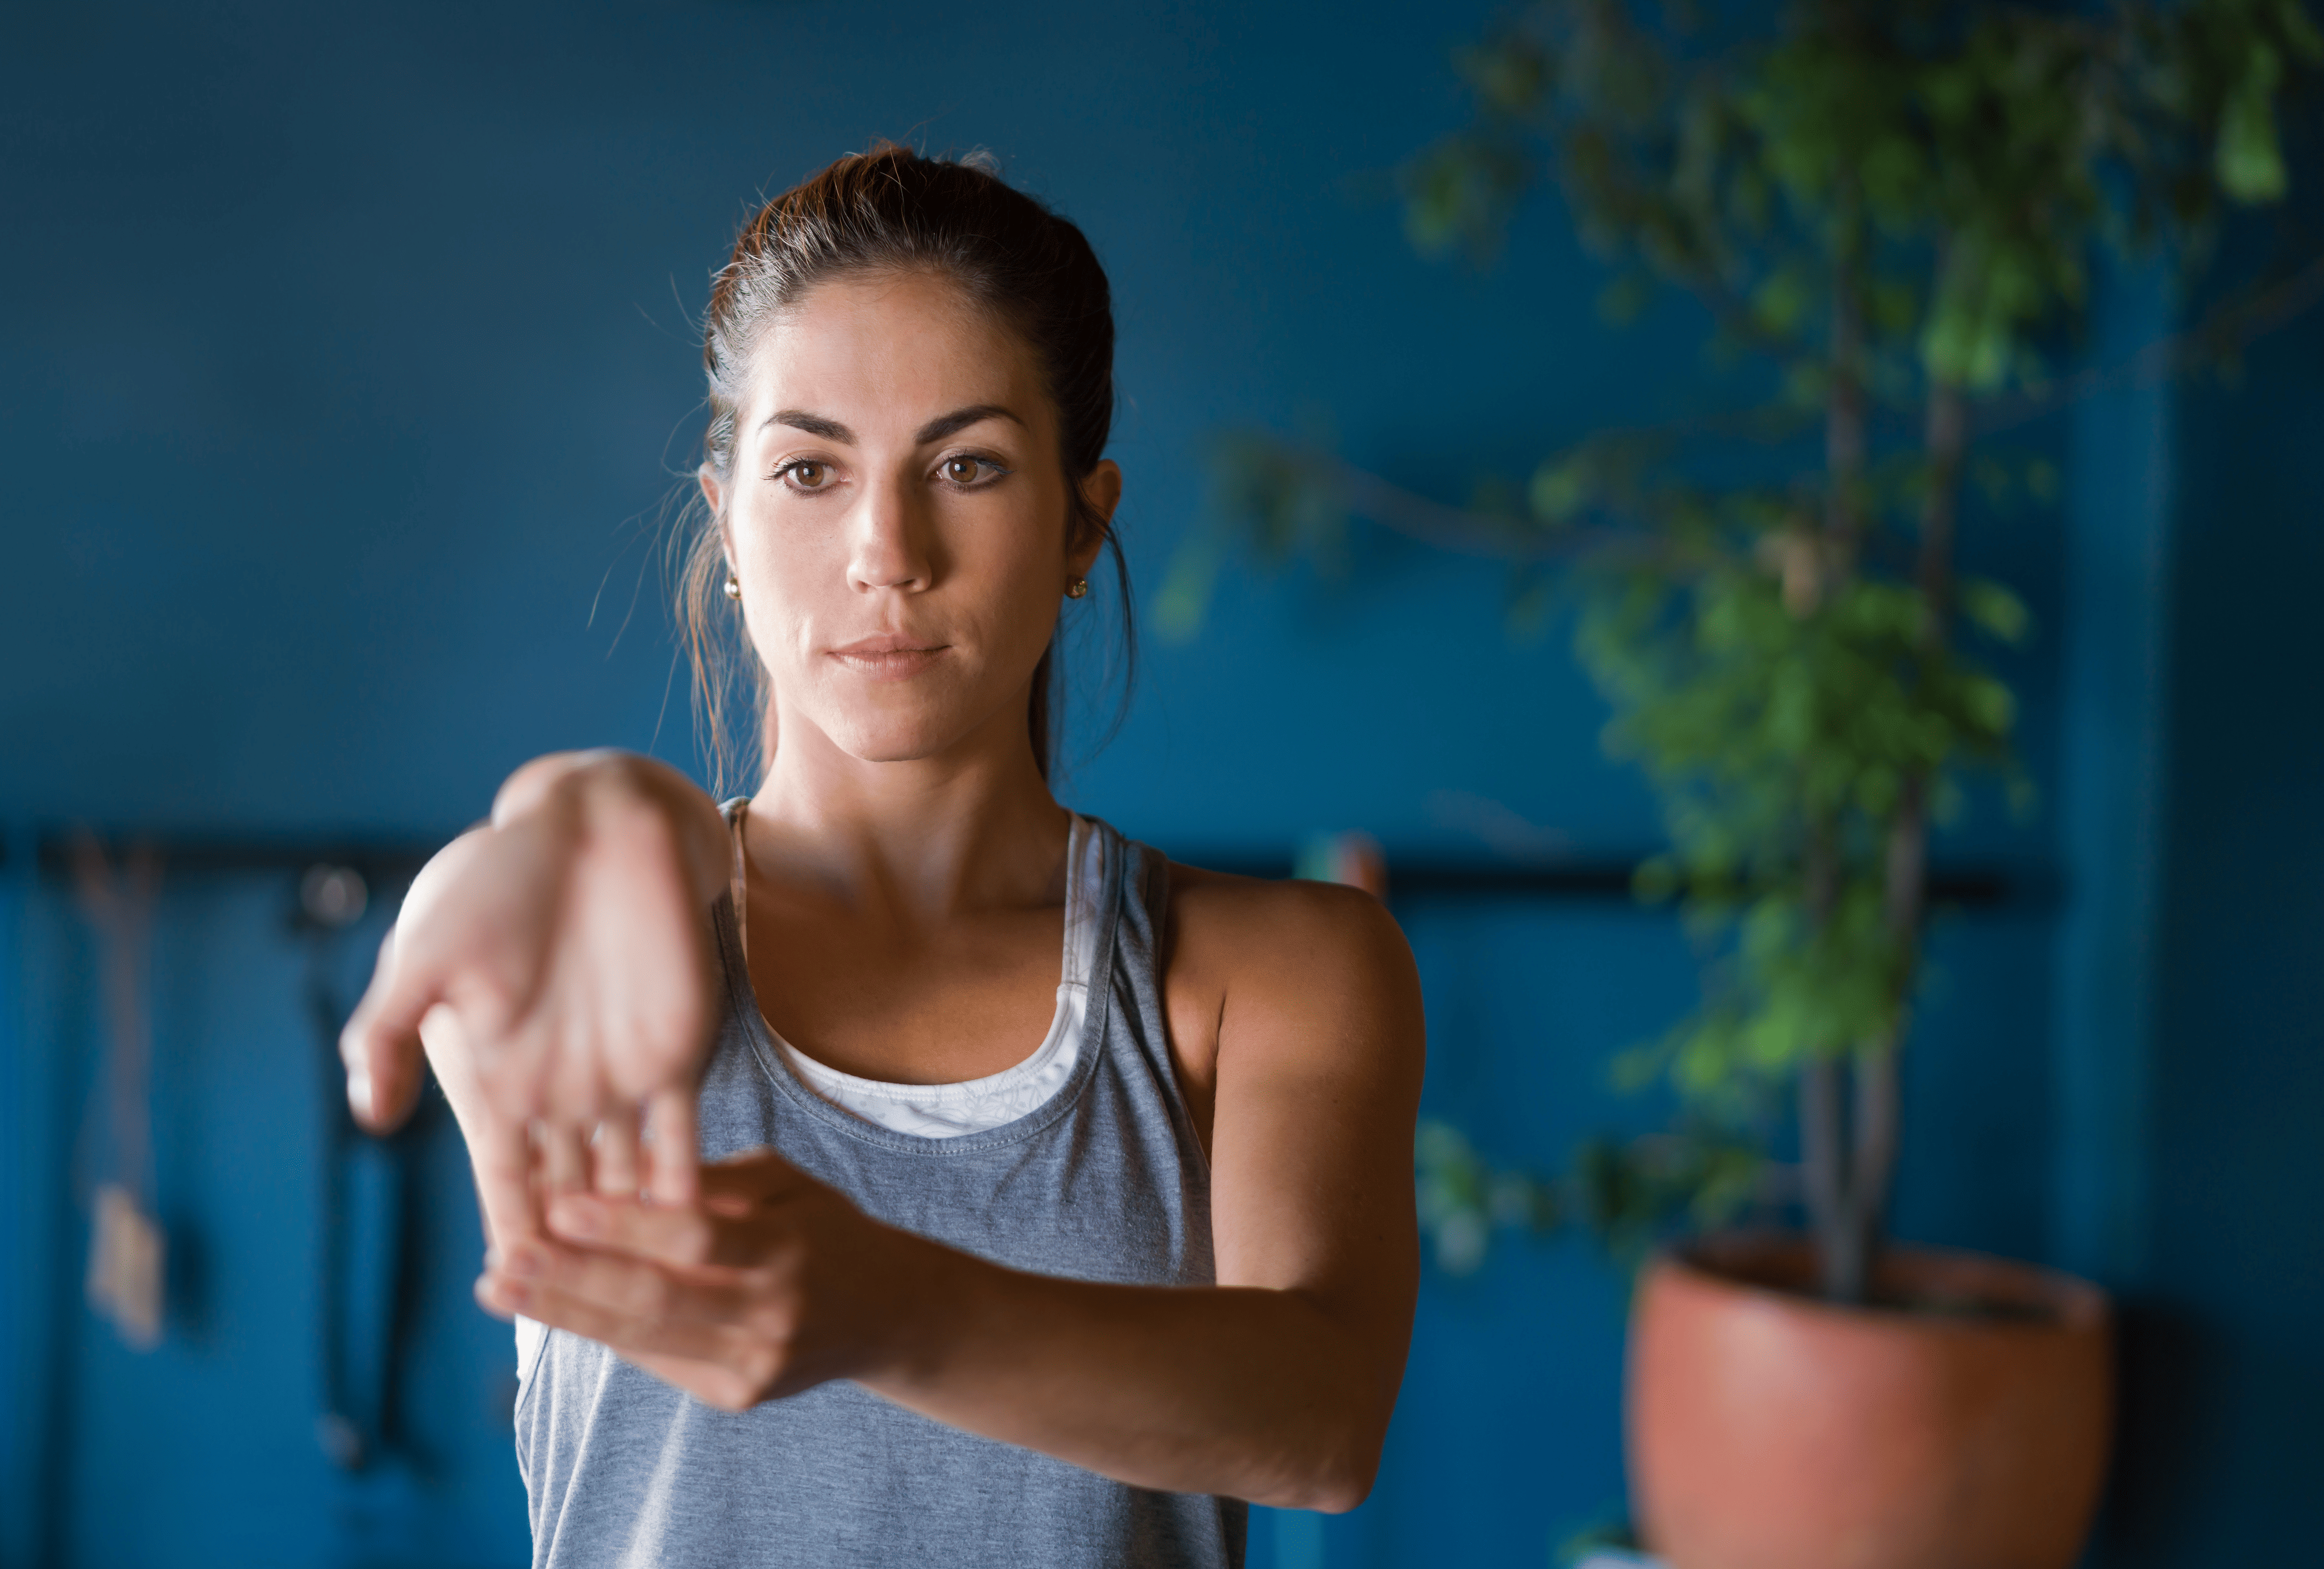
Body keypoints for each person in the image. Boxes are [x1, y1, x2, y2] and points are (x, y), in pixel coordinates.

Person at [338, 145, 1425, 1569]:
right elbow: (610, 845)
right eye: (809, 470)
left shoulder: (1269, 975)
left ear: (1083, 523)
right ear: (726, 523)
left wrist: (890, 1310)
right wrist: (570, 802)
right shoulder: (582, 928)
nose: (887, 551)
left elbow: (1322, 1423)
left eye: (966, 466)